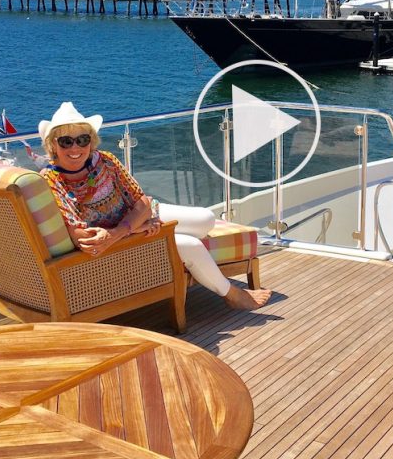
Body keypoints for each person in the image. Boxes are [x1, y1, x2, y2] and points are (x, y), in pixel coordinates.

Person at [38, 102, 272, 310]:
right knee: (189, 245)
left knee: (205, 219)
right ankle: (232, 294)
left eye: (82, 139)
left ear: (91, 141)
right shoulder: (51, 180)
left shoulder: (105, 161)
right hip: (120, 239)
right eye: (66, 141)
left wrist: (131, 225)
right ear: (53, 145)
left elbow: (142, 202)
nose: (75, 148)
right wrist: (132, 229)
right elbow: (83, 238)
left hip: (131, 223)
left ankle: (173, 248)